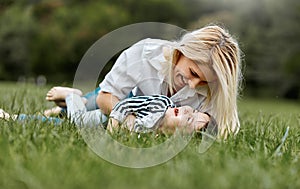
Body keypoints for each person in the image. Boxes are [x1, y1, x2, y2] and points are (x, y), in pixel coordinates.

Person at [45, 24, 242, 138]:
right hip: (125, 99)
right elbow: (106, 98)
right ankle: (70, 101)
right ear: (182, 51)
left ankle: (64, 107)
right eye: (193, 72)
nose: (193, 85)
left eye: (203, 82)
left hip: (127, 102)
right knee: (88, 111)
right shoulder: (145, 53)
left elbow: (216, 129)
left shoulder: (216, 90)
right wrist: (130, 122)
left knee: (84, 116)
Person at [0, 94, 212, 135]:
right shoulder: (161, 103)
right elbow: (125, 105)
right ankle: (72, 96)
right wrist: (113, 126)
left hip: (104, 128)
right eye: (193, 110)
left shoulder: (160, 135)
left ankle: (64, 108)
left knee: (60, 125)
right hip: (106, 119)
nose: (187, 110)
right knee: (80, 122)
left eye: (190, 118)